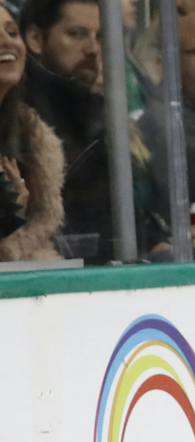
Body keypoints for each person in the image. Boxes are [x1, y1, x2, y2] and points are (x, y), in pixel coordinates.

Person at [19, 0, 107, 257]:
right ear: (35, 38)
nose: (93, 49)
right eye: (77, 34)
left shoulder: (96, 112)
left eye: (100, 36)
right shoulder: (22, 122)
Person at [0, 4, 65, 261]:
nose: (7, 43)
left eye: (12, 32)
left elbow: (44, 220)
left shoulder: (31, 130)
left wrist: (15, 214)